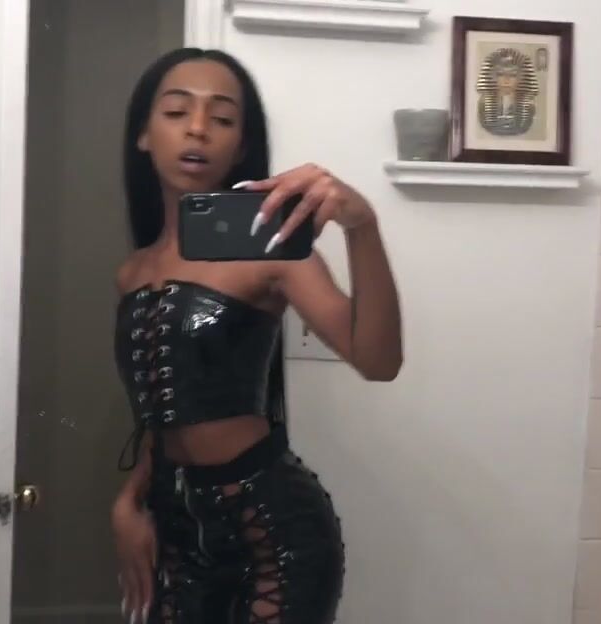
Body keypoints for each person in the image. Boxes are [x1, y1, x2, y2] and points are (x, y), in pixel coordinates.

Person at [110, 47, 403, 624]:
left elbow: (379, 361)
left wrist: (361, 224)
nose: (198, 128)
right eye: (176, 112)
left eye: (222, 118)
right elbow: (161, 413)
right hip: (175, 530)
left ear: (242, 145)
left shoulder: (271, 251)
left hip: (273, 536)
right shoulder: (133, 271)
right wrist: (129, 500)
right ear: (144, 134)